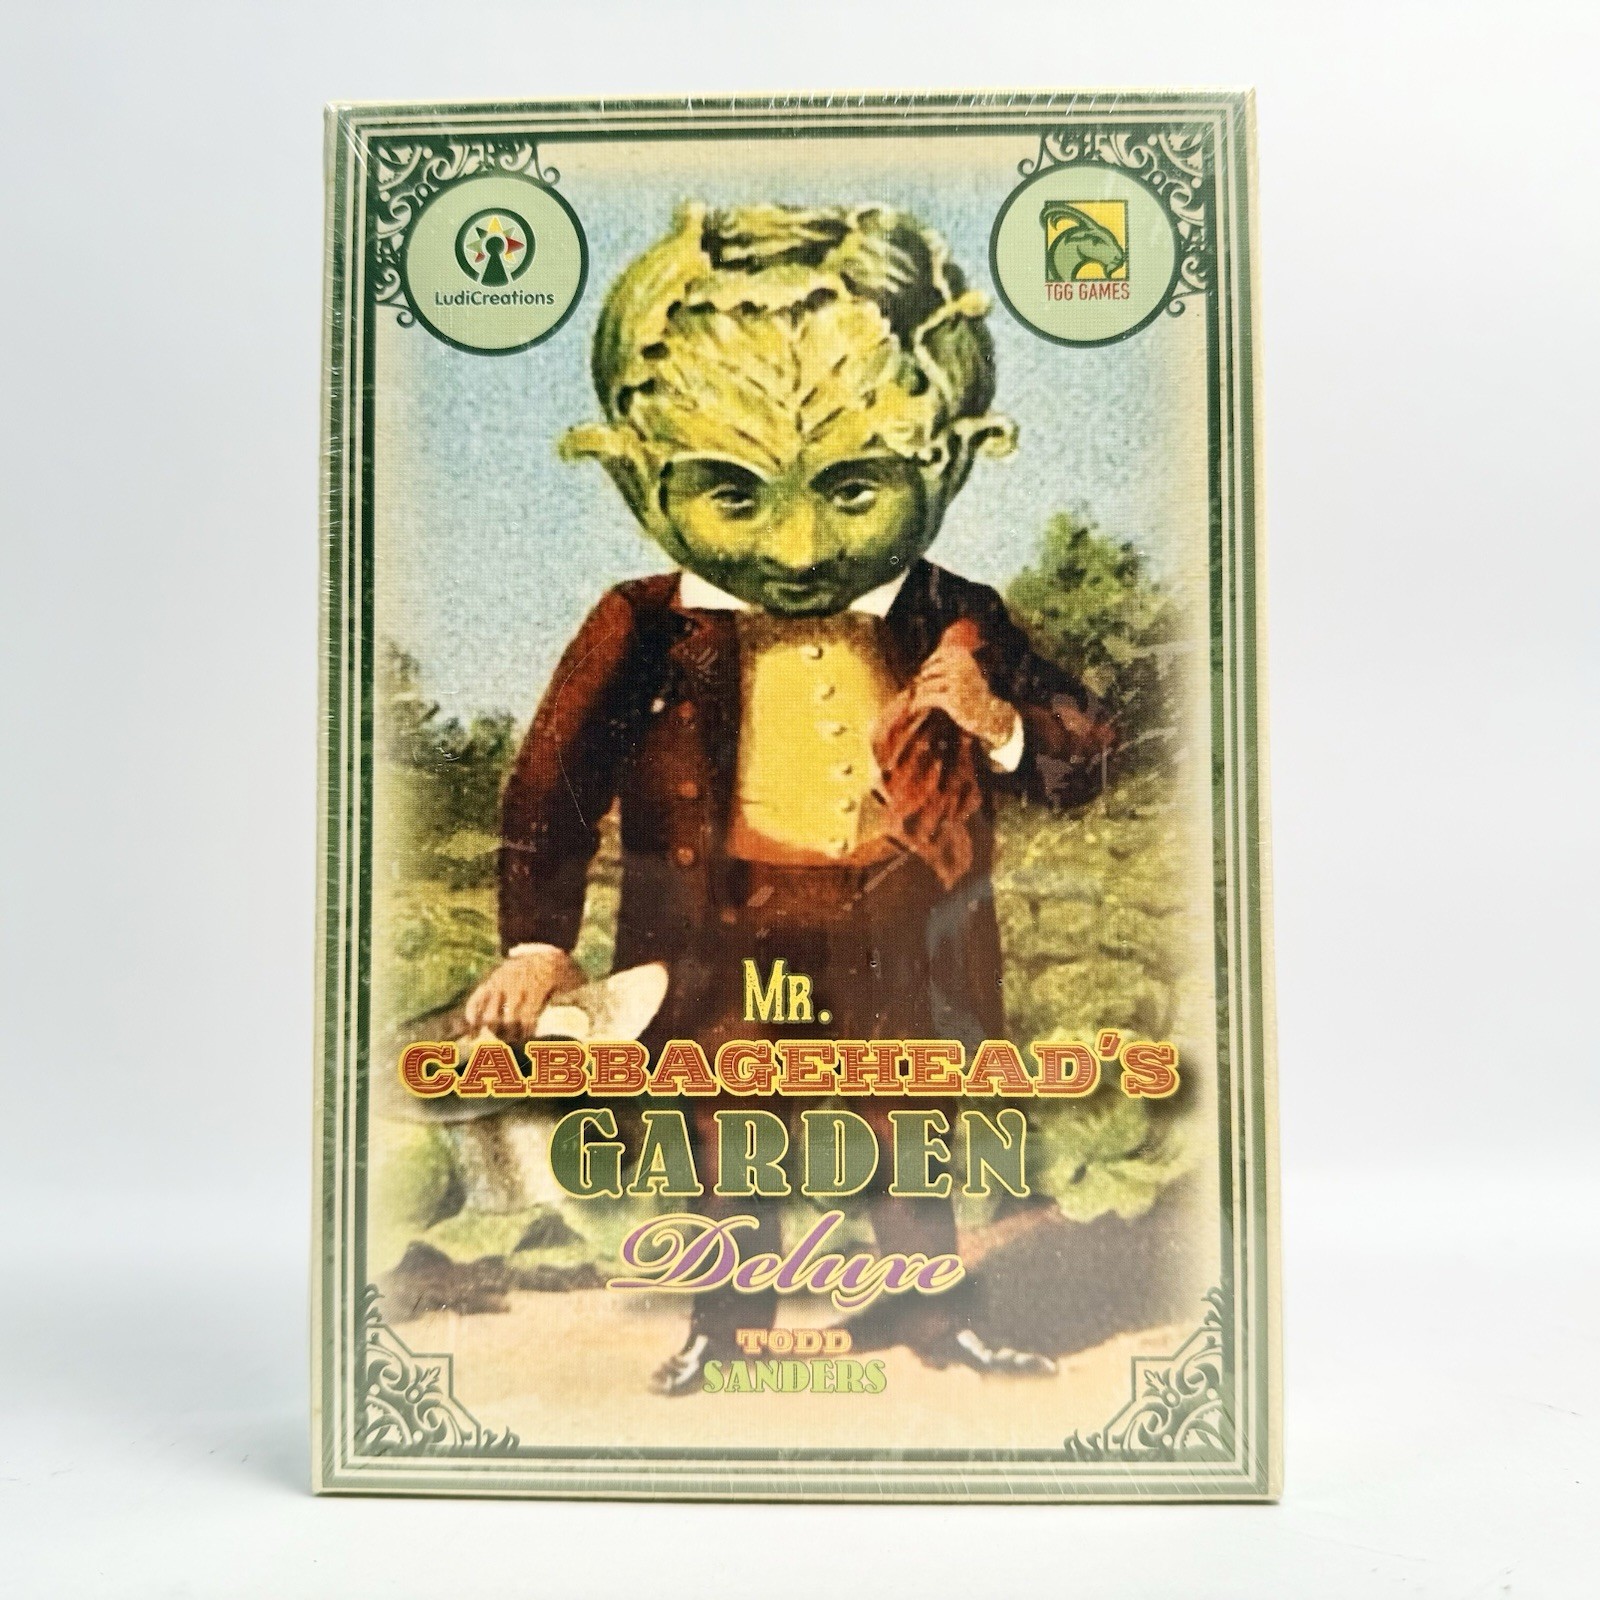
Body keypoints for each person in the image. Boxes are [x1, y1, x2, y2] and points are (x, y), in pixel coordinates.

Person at [464, 202, 1113, 1393]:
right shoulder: (643, 624)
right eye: (733, 493)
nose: (801, 549)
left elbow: (1087, 755)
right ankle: (724, 1325)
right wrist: (538, 941)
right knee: (729, 1133)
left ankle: (937, 1316)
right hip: (720, 925)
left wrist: (997, 721)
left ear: (946, 460)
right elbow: (554, 782)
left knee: (908, 1120)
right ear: (641, 471)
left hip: (899, 921)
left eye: (855, 490)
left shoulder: (954, 610)